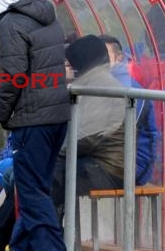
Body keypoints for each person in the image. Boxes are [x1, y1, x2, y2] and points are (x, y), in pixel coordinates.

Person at [0, 0, 70, 251]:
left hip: (31, 117)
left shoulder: (11, 22)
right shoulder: (50, 17)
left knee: (30, 188)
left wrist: (3, 111)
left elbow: (14, 73)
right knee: (35, 185)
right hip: (57, 116)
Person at [52, 35, 126, 223]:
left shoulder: (100, 84)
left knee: (48, 177)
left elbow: (89, 137)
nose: (70, 67)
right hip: (99, 162)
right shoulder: (93, 81)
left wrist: (56, 153)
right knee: (39, 175)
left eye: (71, 62)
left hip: (107, 168)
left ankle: (49, 242)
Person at [99, 34, 159, 185]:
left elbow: (121, 129)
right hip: (111, 159)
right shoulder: (101, 84)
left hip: (132, 166)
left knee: (61, 174)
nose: (98, 61)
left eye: (104, 55)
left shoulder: (130, 88)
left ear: (119, 58)